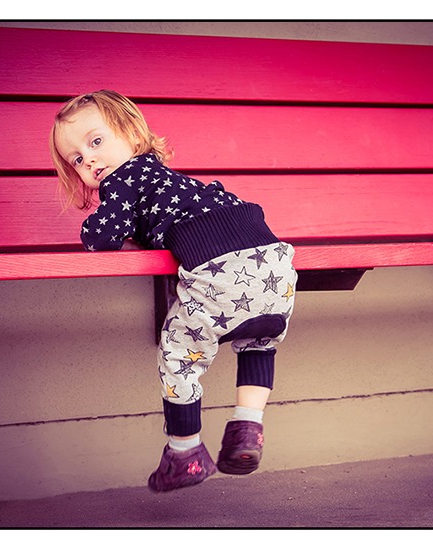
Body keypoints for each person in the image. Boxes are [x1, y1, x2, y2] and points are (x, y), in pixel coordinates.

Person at [50, 90, 296, 492]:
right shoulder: (168, 181)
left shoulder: (124, 179)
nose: (89, 160)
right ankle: (248, 428)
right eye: (76, 159)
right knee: (258, 339)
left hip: (221, 267)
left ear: (132, 134)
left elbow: (102, 237)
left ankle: (184, 453)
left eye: (95, 142)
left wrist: (95, 226)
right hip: (273, 260)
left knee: (179, 353)